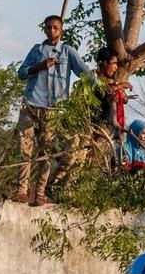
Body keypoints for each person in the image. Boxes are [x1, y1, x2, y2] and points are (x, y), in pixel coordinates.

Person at [14, 15, 89, 204]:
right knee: (25, 149)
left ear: (61, 30)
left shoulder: (67, 52)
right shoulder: (37, 50)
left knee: (45, 152)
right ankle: (21, 190)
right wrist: (38, 66)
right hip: (31, 105)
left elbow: (85, 73)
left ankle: (39, 193)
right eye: (48, 27)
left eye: (55, 27)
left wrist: (106, 86)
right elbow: (21, 73)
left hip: (53, 109)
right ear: (45, 30)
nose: (51, 30)